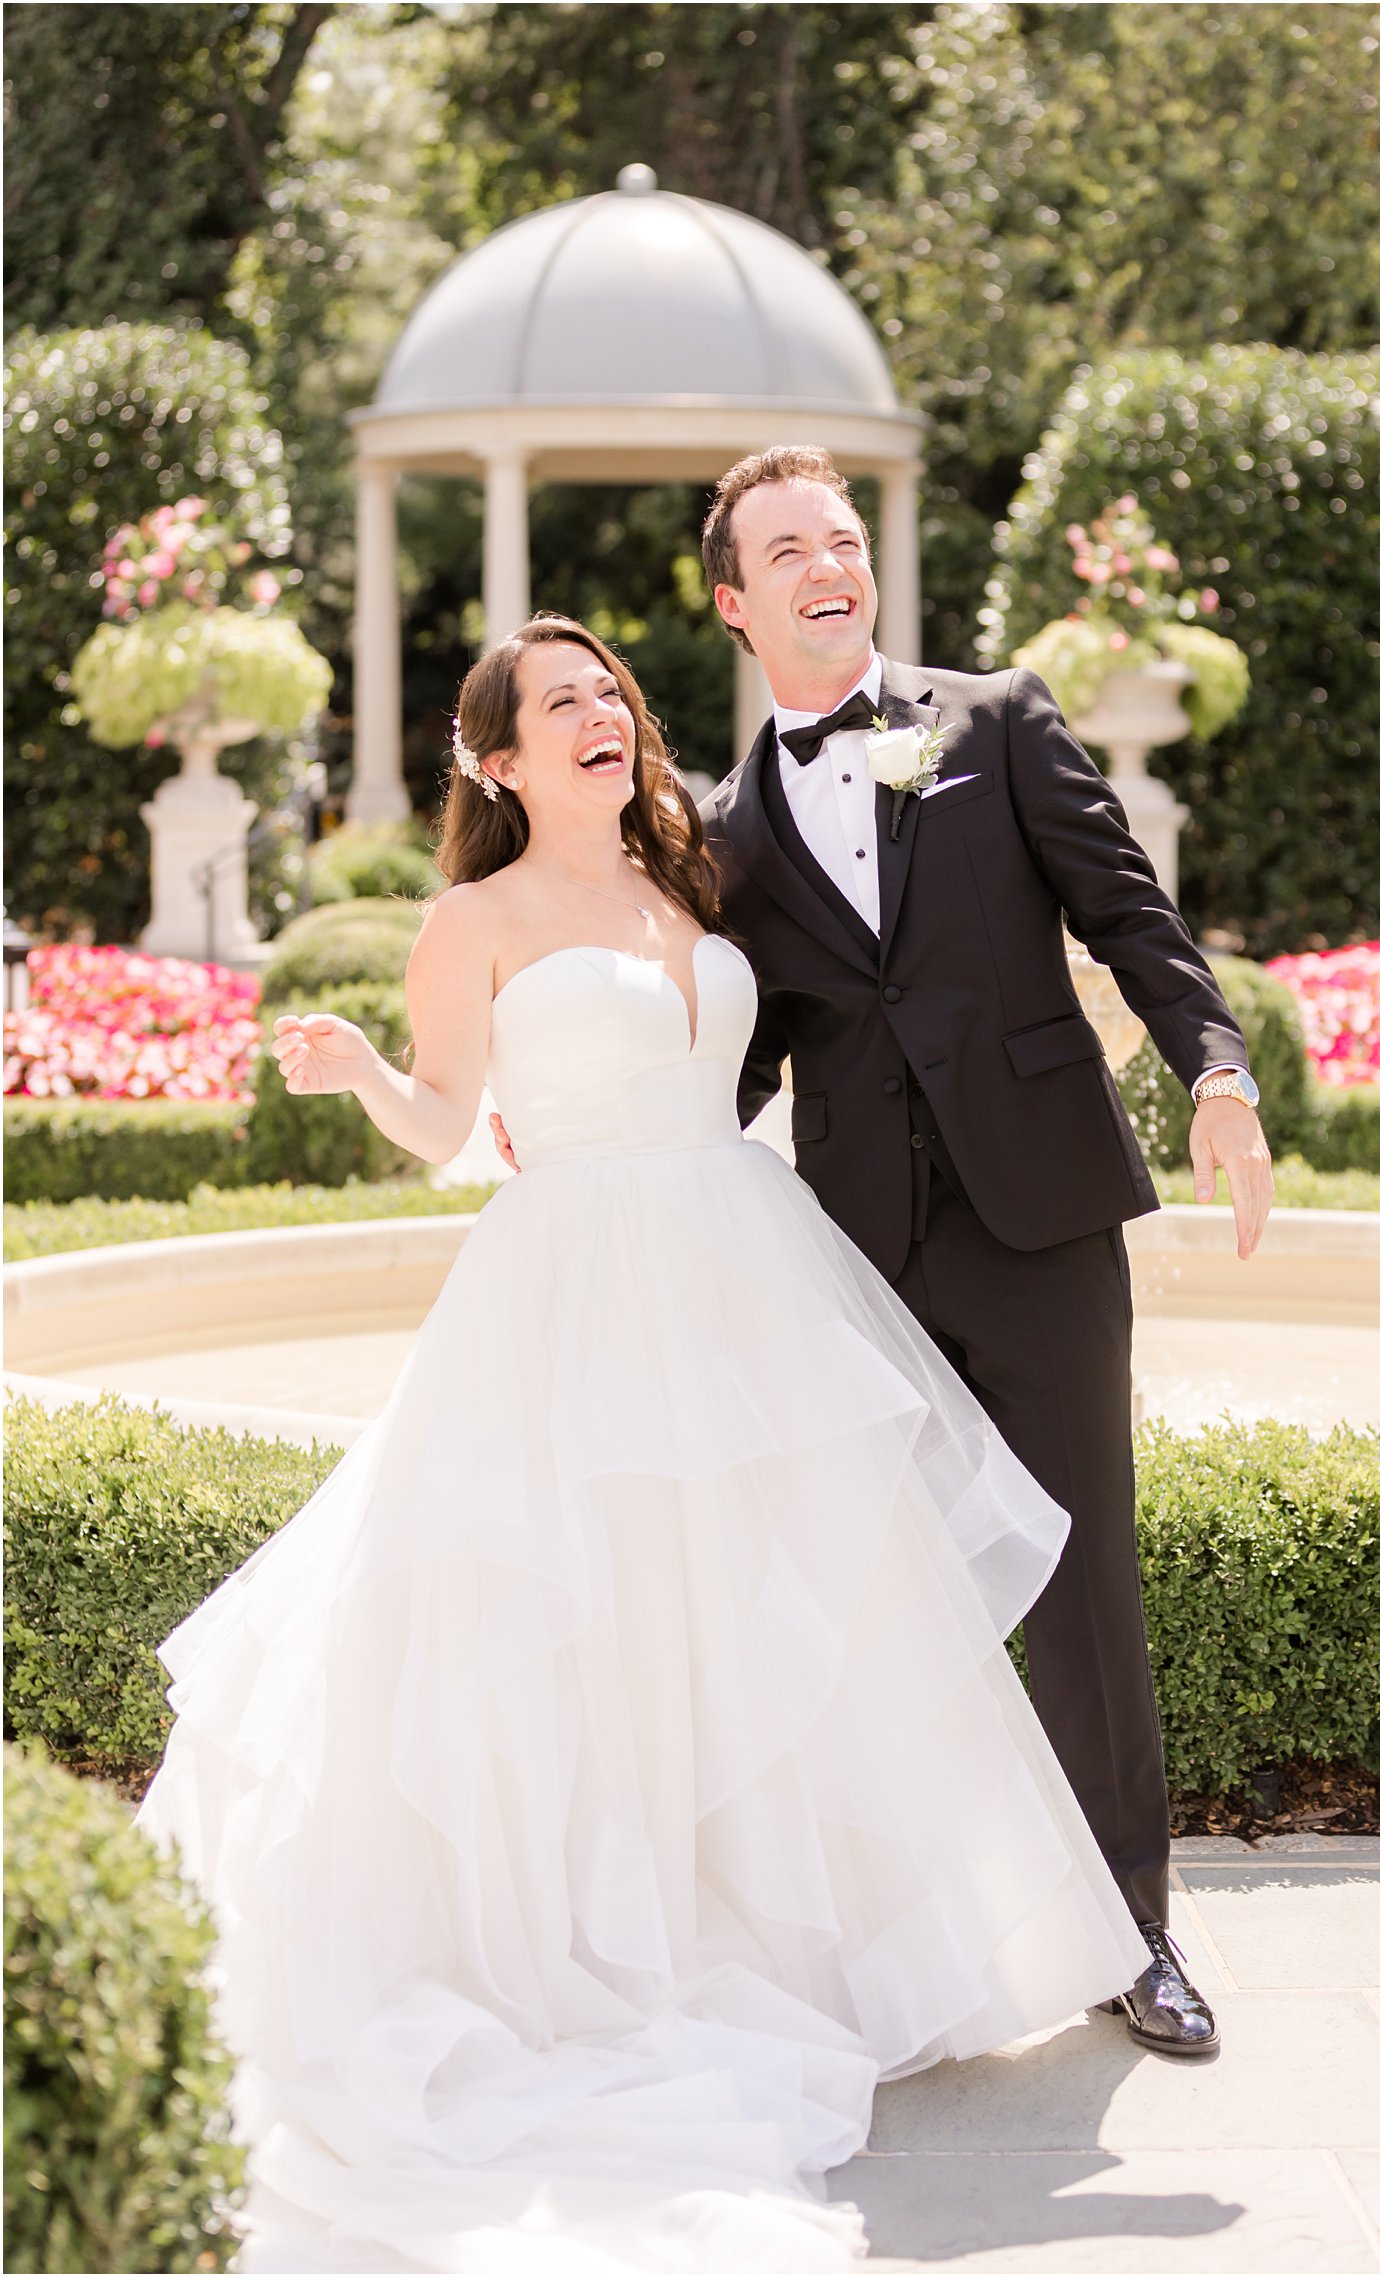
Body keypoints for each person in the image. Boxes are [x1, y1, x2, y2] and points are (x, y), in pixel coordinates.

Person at [136, 614, 1152, 2275]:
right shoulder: (467, 915)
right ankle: (599, 1953)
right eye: (559, 701)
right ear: (497, 758)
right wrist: (364, 1073)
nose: (602, 712)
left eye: (609, 689)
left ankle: (789, 1938)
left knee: (757, 1614)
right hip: (576, 1288)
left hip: (744, 1271)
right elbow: (451, 1121)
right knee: (588, 1618)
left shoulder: (696, 878)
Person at [505, 446, 1273, 2059]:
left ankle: (1134, 1930)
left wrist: (1218, 1069)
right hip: (848, 1259)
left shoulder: (996, 719)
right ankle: (913, 1939)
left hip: (1045, 1222)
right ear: (734, 602)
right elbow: (741, 1057)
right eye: (784, 547)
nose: (824, 561)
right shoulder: (713, 831)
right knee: (866, 1599)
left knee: (1077, 1574)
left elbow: (1134, 917)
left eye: (841, 536)